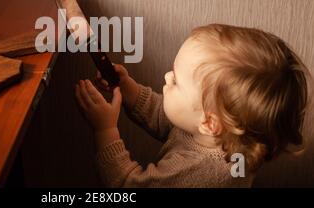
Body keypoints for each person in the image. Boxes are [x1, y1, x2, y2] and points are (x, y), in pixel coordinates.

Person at [75, 24, 311, 187]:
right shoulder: (225, 131)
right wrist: (127, 88)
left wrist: (105, 130)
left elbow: (127, 185)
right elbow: (164, 115)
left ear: (209, 123)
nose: (167, 77)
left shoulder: (201, 173)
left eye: (176, 81)